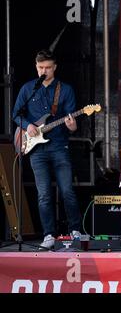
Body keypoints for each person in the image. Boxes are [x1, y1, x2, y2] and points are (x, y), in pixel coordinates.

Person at [12, 49, 81, 249]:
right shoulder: (28, 89)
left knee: (67, 190)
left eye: (48, 68)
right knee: (43, 195)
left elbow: (72, 122)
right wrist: (28, 126)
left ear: (55, 67)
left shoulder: (65, 90)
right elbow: (16, 114)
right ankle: (49, 234)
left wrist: (72, 126)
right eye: (41, 67)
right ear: (36, 66)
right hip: (36, 150)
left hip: (59, 145)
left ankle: (75, 230)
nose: (44, 71)